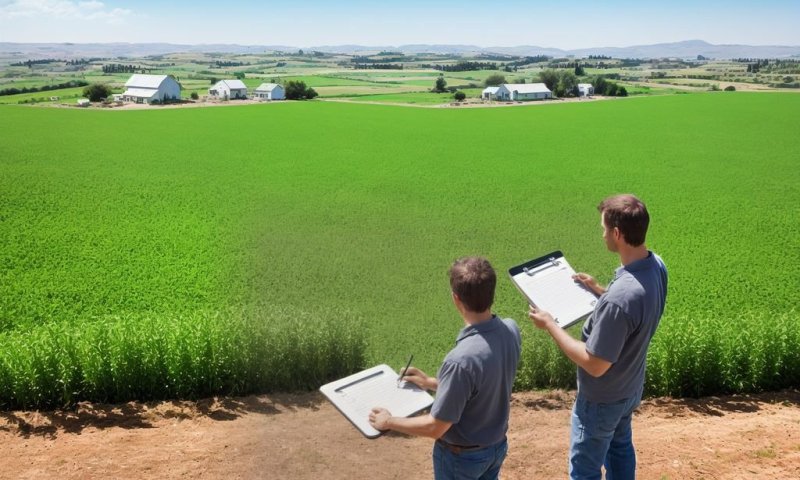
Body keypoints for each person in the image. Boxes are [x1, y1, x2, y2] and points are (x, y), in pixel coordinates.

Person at [529, 194, 668, 480]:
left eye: (604, 229)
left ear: (617, 234)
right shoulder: (656, 266)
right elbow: (633, 313)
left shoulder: (620, 298)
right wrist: (598, 290)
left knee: (584, 471)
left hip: (602, 399)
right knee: (620, 449)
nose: (602, 234)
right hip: (629, 389)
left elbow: (595, 363)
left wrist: (551, 325)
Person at [369, 256, 521, 480]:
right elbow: (484, 382)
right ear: (492, 293)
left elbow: (435, 427)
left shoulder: (459, 360)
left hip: (462, 460)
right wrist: (431, 382)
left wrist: (388, 421)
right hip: (495, 449)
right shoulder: (511, 330)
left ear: (456, 298)